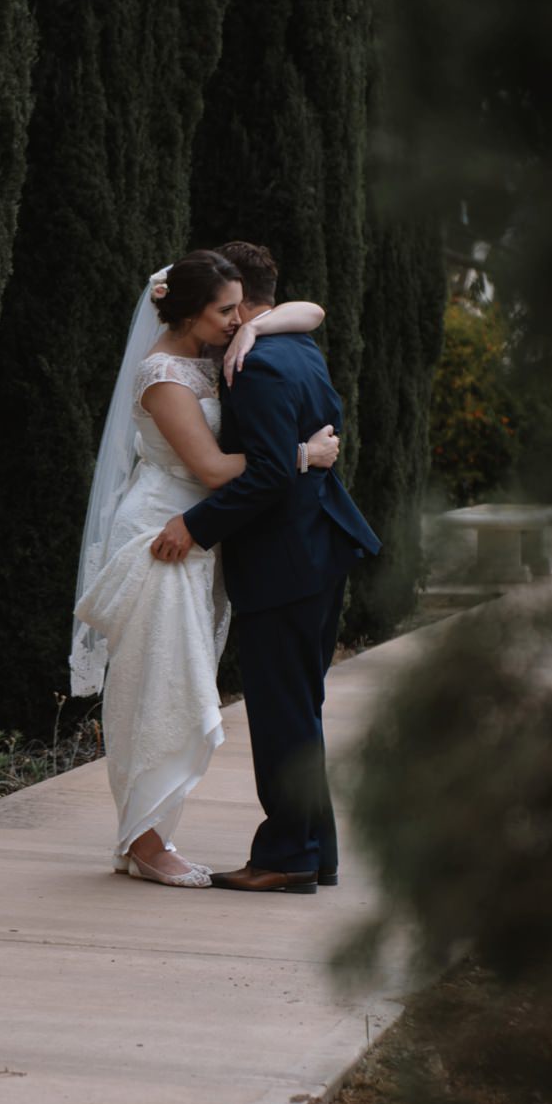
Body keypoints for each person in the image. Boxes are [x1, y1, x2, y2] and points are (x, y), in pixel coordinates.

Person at [71, 250, 337, 886]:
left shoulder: (218, 348)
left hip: (198, 545)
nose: (234, 319)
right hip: (163, 539)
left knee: (180, 685)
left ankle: (152, 836)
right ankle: (145, 841)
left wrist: (255, 327)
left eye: (239, 308)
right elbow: (213, 471)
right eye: (225, 311)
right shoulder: (164, 374)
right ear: (190, 314)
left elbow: (311, 311)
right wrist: (301, 454)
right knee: (159, 690)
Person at [149, 241, 380, 892]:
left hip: (284, 561)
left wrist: (194, 528)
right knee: (300, 710)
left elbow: (271, 473)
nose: (225, 322)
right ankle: (315, 853)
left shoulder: (251, 363)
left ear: (240, 304)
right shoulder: (295, 346)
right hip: (320, 550)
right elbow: (308, 316)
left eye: (230, 308)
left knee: (282, 713)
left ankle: (285, 857)